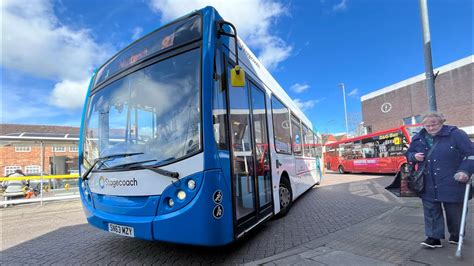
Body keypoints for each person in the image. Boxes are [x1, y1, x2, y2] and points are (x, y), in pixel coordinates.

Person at [406, 111, 473, 248]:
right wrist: (413, 156)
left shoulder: (456, 134)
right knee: (431, 210)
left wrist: (465, 171)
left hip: (453, 181)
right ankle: (433, 237)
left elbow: (471, 154)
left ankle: (456, 234)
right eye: (426, 125)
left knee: (455, 212)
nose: (430, 128)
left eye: (434, 124)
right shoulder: (418, 138)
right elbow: (408, 153)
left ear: (442, 122)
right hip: (428, 181)